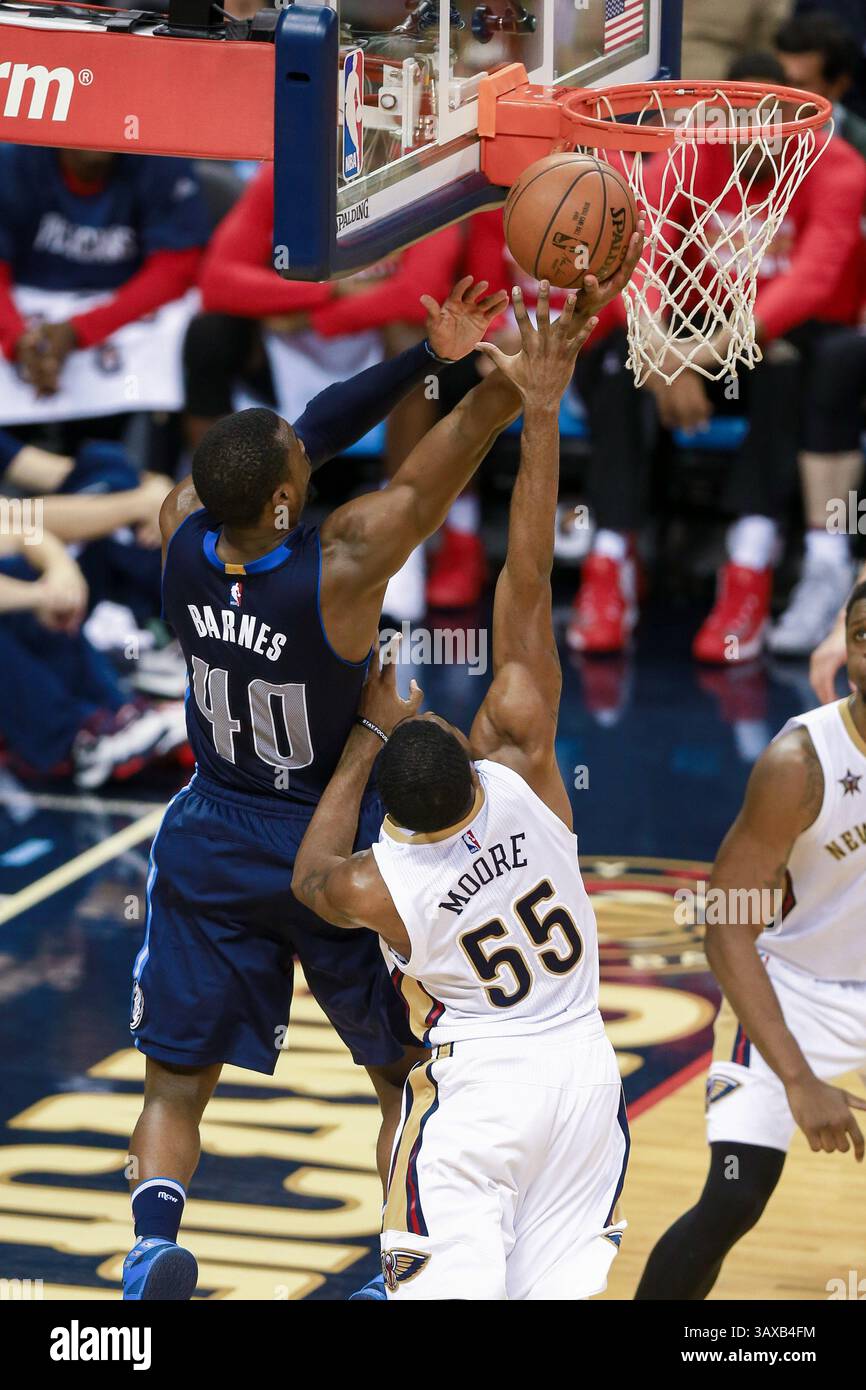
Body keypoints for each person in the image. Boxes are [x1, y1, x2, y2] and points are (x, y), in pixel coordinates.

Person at [121, 275, 519, 1301]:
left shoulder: (178, 523)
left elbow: (300, 435)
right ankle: (399, 1259)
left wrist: (423, 354)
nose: (309, 444)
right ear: (291, 498)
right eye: (300, 461)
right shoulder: (342, 567)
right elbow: (435, 474)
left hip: (211, 825)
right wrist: (505, 379)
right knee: (400, 1072)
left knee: (176, 1076)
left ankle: (151, 1249)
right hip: (334, 844)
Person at [292, 283, 635, 1302]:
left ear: (392, 816)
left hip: (483, 1099)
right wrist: (537, 412)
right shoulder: (525, 765)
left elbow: (310, 874)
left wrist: (360, 738)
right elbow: (523, 581)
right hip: (582, 1078)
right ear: (468, 763)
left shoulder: (379, 883)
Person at [636, 578, 866, 1299]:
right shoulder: (800, 764)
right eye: (862, 634)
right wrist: (798, 1079)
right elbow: (726, 928)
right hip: (792, 989)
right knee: (734, 1198)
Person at [640, 52, 866, 664]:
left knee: (790, 363)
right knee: (618, 360)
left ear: (790, 116)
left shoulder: (837, 167)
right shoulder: (689, 155)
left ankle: (749, 566)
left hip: (790, 339)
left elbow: (812, 283)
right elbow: (642, 252)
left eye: (766, 115)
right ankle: (610, 555)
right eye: (735, 117)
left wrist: (697, 353)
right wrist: (664, 355)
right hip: (696, 335)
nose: (751, 129)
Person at [0, 147, 208, 440]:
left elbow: (177, 267)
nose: (92, 147)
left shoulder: (157, 152)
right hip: (26, 298)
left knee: (179, 327)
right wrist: (16, 338)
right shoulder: (15, 157)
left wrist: (80, 329)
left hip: (124, 299)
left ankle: (147, 471)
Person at [776, 9, 866, 158]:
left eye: (799, 84)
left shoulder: (860, 146)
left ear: (838, 87)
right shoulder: (748, 131)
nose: (782, 95)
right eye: (780, 80)